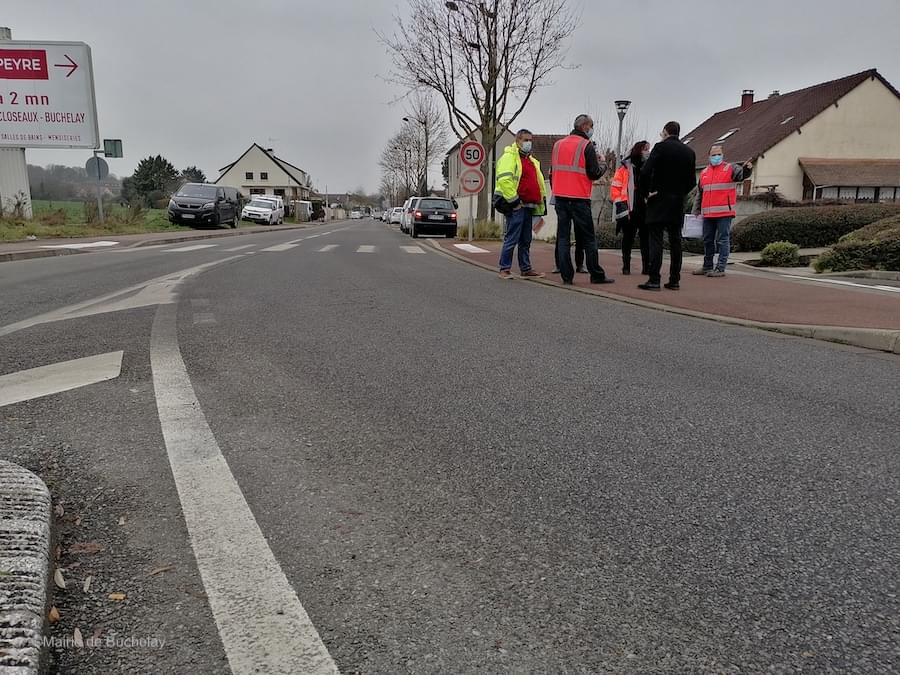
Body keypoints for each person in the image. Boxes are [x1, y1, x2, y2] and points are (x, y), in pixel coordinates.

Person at [551, 114, 612, 285]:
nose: (592, 130)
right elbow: (593, 173)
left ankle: (566, 276)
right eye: (591, 126)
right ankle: (596, 274)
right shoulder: (586, 146)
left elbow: (553, 170)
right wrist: (603, 165)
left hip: (560, 197)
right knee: (588, 238)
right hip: (579, 197)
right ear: (585, 126)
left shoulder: (558, 145)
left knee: (562, 237)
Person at [638, 121, 696, 291]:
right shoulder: (689, 152)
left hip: (659, 199)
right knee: (675, 241)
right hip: (677, 202)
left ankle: (654, 278)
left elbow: (645, 172)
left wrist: (646, 193)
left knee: (656, 240)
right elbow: (692, 181)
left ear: (665, 132)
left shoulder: (660, 148)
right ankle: (674, 280)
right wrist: (680, 193)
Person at [691, 145, 753, 277]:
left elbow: (741, 175)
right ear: (709, 156)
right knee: (708, 240)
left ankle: (720, 268)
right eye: (713, 155)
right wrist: (695, 211)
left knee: (723, 240)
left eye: (718, 154)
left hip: (724, 213)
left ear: (723, 155)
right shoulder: (704, 172)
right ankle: (707, 266)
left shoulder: (730, 168)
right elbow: (700, 194)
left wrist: (747, 170)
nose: (716, 157)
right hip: (708, 214)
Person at [494, 129, 548, 279]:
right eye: (525, 140)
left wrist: (539, 203)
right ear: (517, 141)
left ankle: (526, 268)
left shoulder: (532, 161)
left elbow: (538, 183)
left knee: (526, 240)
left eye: (530, 140)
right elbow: (505, 180)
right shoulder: (509, 157)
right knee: (512, 237)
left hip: (529, 206)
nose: (528, 143)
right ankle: (504, 269)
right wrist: (515, 202)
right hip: (517, 205)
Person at [611, 140, 651, 275]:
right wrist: (622, 207)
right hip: (630, 208)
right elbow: (616, 188)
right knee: (628, 238)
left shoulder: (649, 167)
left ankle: (646, 267)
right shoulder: (624, 169)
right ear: (638, 150)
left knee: (646, 239)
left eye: (648, 149)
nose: (647, 152)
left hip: (645, 208)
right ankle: (626, 266)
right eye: (645, 149)